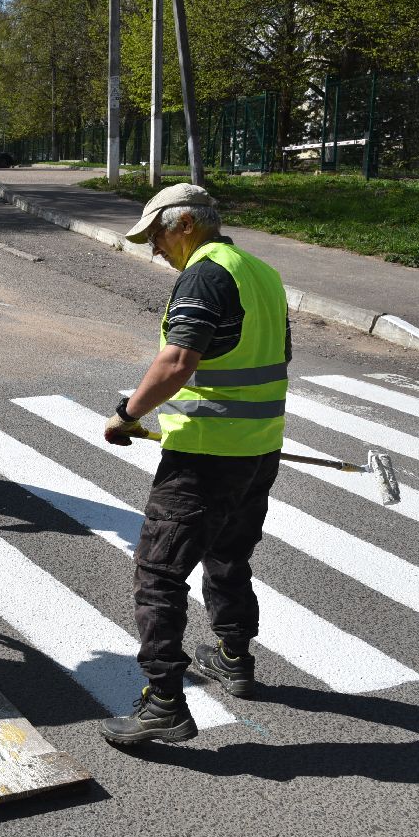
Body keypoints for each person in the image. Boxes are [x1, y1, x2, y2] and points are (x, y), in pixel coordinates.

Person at [99, 182, 291, 746]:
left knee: (158, 574)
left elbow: (180, 358)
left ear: (184, 224)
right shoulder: (261, 273)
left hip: (205, 456)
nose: (155, 248)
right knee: (229, 555)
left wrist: (127, 413)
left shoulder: (205, 274)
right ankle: (234, 656)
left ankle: (164, 701)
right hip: (257, 449)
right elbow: (271, 357)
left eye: (157, 234)